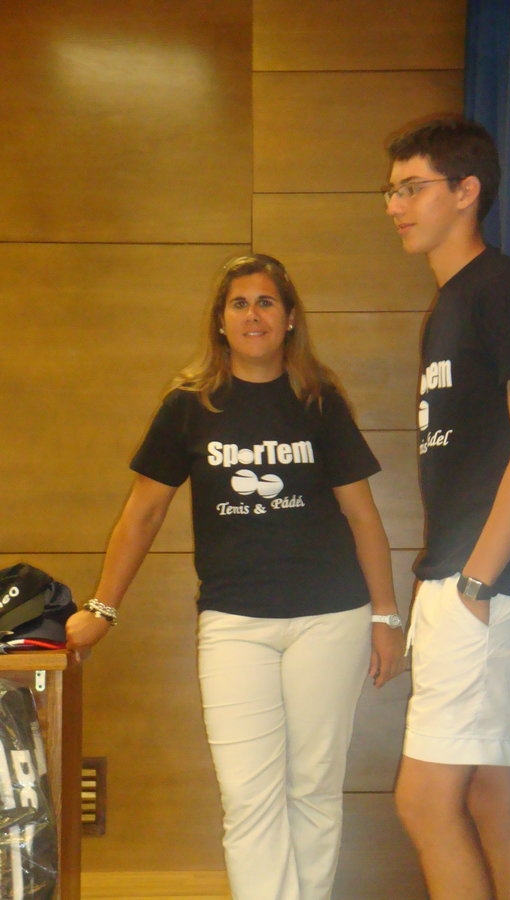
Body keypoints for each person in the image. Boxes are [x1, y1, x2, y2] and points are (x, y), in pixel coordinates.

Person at [66, 253, 405, 900]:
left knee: (312, 789)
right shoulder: (189, 407)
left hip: (329, 619)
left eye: (266, 302)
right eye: (239, 304)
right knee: (248, 796)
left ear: (290, 318)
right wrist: (102, 608)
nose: (253, 315)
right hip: (234, 624)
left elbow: (362, 516)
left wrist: (385, 616)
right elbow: (143, 514)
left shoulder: (318, 402)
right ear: (220, 321)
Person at [383, 117, 510, 900]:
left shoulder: (503, 288)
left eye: (410, 188)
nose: (394, 206)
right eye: (391, 191)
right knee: (490, 789)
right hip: (461, 577)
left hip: (483, 580)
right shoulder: (448, 304)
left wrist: (477, 581)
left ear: (465, 191)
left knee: (423, 800)